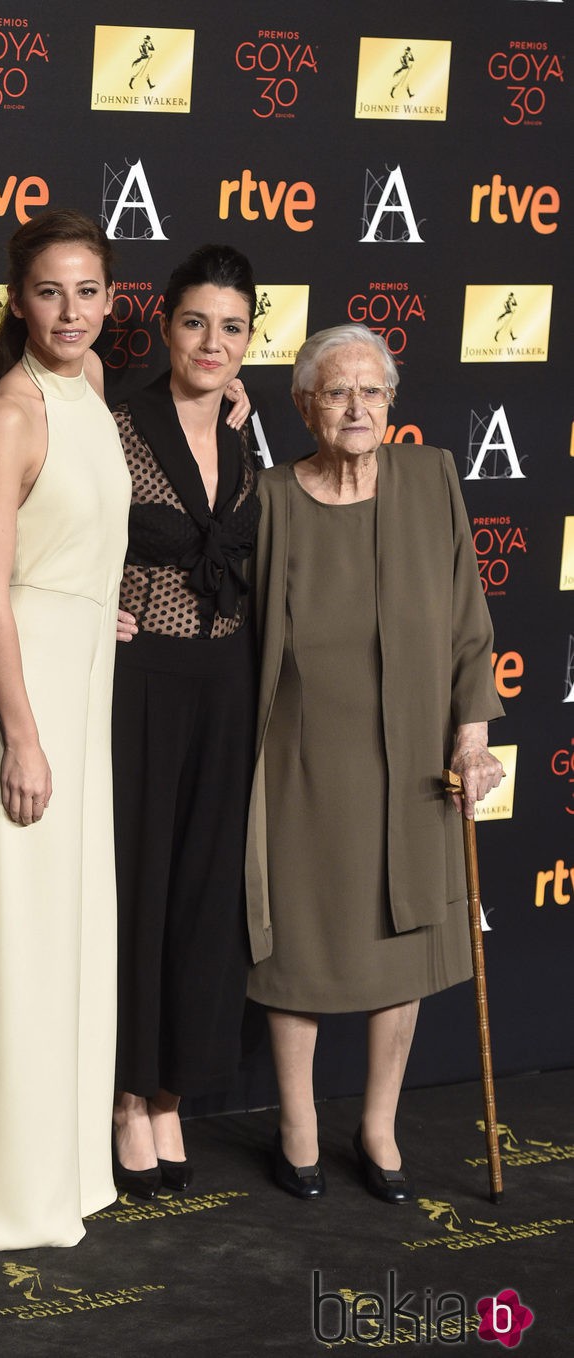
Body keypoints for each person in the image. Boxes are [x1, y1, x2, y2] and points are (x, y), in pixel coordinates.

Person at [245, 323, 504, 1203]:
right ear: (304, 405)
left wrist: (471, 737)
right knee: (301, 945)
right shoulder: (272, 497)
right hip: (302, 762)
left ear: (392, 404)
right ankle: (298, 1124)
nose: (356, 407)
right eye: (335, 391)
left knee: (407, 945)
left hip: (417, 760)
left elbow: (470, 624)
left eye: (372, 391)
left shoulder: (430, 478)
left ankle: (379, 1124)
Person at [0, 209, 131, 1253]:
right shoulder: (9, 409)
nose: (70, 311)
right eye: (49, 291)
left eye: (87, 290)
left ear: (108, 299)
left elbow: (74, 541)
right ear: (16, 300)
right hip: (23, 700)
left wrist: (102, 604)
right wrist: (23, 734)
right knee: (13, 942)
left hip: (74, 685)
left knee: (62, 943)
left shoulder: (88, 390)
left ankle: (57, 1162)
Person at [110, 245, 260, 1199]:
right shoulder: (116, 424)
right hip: (140, 683)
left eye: (233, 327)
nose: (213, 342)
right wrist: (88, 604)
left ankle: (172, 1092)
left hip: (229, 681)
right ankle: (126, 1097)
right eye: (197, 322)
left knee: (206, 890)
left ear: (251, 339)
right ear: (165, 325)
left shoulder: (252, 436)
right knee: (142, 883)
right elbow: (58, 528)